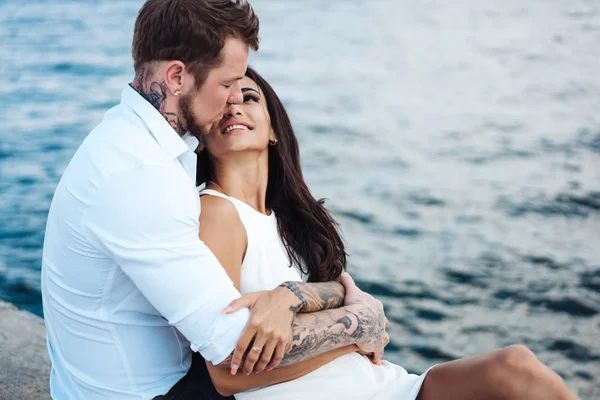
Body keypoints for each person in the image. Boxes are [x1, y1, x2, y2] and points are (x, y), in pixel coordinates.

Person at [40, 1, 389, 399]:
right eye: (226, 85)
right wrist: (360, 325)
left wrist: (300, 295)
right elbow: (235, 352)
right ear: (176, 77)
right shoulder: (138, 175)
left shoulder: (148, 143)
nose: (232, 103)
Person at [194, 66, 581, 400]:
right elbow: (226, 374)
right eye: (222, 101)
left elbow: (354, 302)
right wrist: (353, 331)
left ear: (274, 129)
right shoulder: (217, 212)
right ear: (201, 134)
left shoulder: (291, 222)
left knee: (514, 367)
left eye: (249, 97)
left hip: (385, 385)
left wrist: (300, 299)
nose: (234, 105)